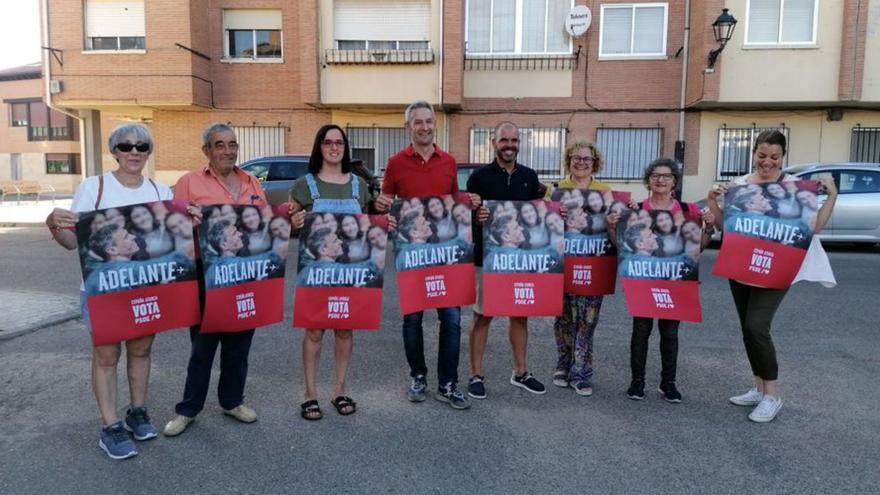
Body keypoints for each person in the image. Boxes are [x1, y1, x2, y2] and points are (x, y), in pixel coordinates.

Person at [45, 123, 173, 459]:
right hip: (103, 289)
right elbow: (73, 243)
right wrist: (53, 224)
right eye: (126, 146)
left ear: (148, 152)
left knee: (142, 349)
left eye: (142, 146)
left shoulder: (163, 193)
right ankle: (110, 426)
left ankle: (138, 411)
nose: (134, 152)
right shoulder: (93, 188)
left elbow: (175, 243)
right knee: (106, 356)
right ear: (114, 151)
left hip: (146, 288)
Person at [707, 130, 838, 423]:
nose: (767, 162)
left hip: (777, 267)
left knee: (757, 327)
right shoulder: (740, 185)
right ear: (754, 153)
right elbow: (723, 226)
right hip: (741, 265)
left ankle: (772, 395)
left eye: (774, 157)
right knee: (746, 328)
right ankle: (757, 386)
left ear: (783, 157)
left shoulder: (793, 188)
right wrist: (713, 200)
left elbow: (814, 227)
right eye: (762, 155)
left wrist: (832, 195)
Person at [164, 123, 270, 437]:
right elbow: (171, 228)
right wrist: (188, 222)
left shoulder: (252, 182)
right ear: (206, 151)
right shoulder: (188, 183)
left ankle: (232, 401)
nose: (228, 151)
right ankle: (188, 409)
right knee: (202, 349)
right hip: (205, 276)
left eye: (232, 144)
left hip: (245, 275)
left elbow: (264, 224)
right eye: (220, 145)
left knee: (239, 348)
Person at [375, 100, 480, 410]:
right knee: (413, 320)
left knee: (451, 319)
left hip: (446, 252)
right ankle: (418, 377)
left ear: (435, 125)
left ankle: (448, 383)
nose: (424, 127)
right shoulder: (396, 162)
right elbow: (386, 199)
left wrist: (467, 200)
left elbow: (450, 201)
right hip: (412, 252)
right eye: (418, 122)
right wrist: (382, 208)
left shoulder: (448, 161)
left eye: (428, 121)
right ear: (409, 127)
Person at [608, 158, 715, 404]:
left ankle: (668, 384)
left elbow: (698, 248)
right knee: (641, 331)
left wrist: (708, 229)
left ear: (674, 182)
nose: (660, 180)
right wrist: (612, 228)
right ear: (648, 180)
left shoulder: (689, 211)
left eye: (666, 176)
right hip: (643, 280)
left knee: (670, 332)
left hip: (675, 281)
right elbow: (623, 247)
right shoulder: (636, 210)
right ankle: (637, 383)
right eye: (656, 175)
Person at [289, 124, 373, 420]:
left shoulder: (359, 187)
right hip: (315, 272)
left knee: (344, 329)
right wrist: (294, 223)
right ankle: (310, 394)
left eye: (339, 142)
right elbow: (288, 224)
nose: (334, 147)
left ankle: (339, 389)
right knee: (314, 329)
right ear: (319, 147)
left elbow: (368, 228)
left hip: (349, 272)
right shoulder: (304, 185)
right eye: (328, 142)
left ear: (345, 147)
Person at [466, 121, 546, 399]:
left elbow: (536, 218)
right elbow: (468, 219)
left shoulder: (530, 177)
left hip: (520, 259)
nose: (509, 145)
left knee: (520, 315)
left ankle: (521, 372)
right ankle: (475, 374)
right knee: (482, 315)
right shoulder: (478, 177)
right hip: (487, 258)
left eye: (514, 140)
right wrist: (477, 218)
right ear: (493, 142)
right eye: (504, 140)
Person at [546, 140, 612, 396]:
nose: (581, 162)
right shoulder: (555, 190)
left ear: (594, 162)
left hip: (594, 264)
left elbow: (613, 225)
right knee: (563, 318)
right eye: (576, 157)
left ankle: (582, 370)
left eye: (586, 158)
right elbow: (543, 224)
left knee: (587, 319)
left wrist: (623, 213)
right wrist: (551, 213)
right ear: (568, 161)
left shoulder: (605, 192)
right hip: (562, 264)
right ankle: (564, 364)